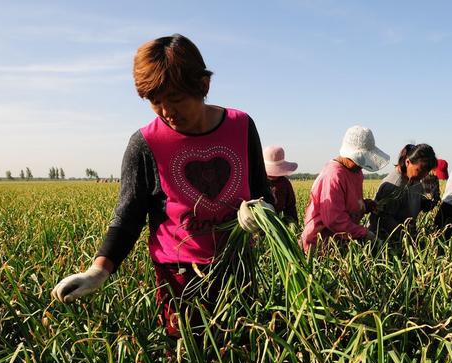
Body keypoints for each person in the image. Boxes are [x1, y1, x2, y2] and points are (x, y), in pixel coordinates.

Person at [51, 34, 274, 336]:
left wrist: (260, 213)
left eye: (177, 99)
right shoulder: (145, 143)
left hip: (238, 267)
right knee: (184, 358)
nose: (167, 111)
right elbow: (128, 216)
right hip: (178, 275)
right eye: (156, 102)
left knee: (241, 344)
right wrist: (98, 271)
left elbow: (264, 192)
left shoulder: (241, 126)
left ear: (203, 85)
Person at [300, 125, 389, 252]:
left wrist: (364, 205)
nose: (362, 166)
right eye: (360, 160)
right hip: (321, 246)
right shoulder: (333, 175)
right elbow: (334, 220)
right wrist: (364, 233)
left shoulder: (356, 171)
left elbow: (348, 202)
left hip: (342, 241)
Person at [369, 144, 438, 240]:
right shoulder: (394, 185)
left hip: (405, 237)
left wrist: (425, 203)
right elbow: (383, 218)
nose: (424, 175)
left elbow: (410, 203)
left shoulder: (415, 179)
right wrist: (406, 237)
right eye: (420, 170)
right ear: (407, 162)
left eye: (427, 171)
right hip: (387, 241)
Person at [263, 145, 298, 225]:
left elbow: (290, 208)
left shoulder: (284, 183)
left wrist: (293, 226)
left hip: (277, 227)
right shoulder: (255, 181)